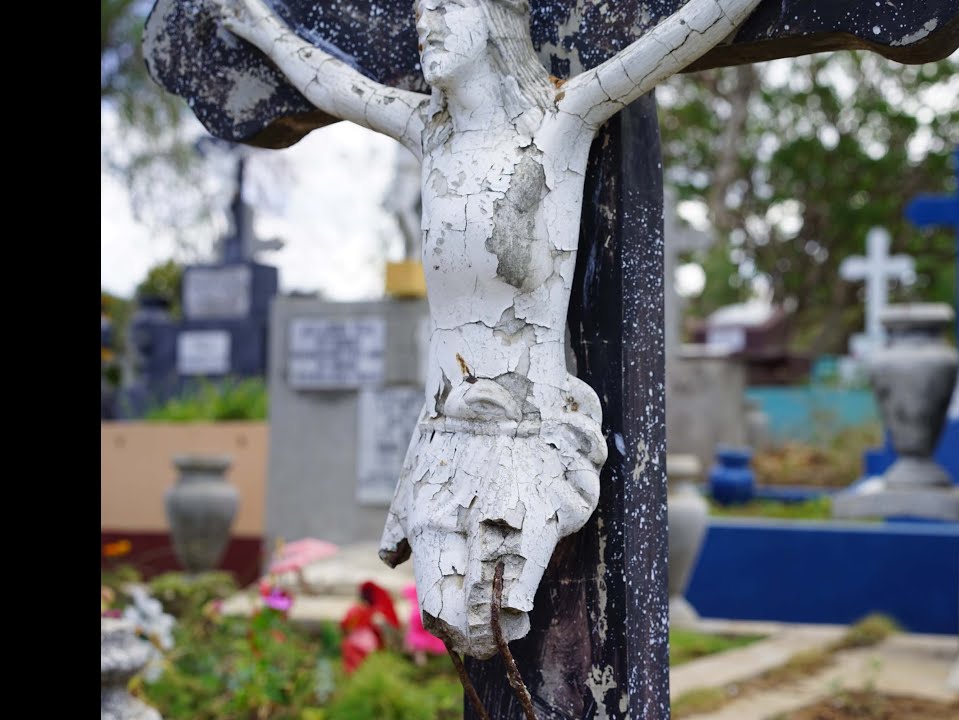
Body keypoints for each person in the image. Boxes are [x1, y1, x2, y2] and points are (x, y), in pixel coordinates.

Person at [217, 0, 763, 662]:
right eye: (423, 11)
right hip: (441, 445)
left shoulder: (562, 117)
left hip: (527, 443)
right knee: (454, 628)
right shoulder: (429, 130)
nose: (429, 23)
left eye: (449, 7)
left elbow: (681, 34)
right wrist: (261, 25)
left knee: (496, 626)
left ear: (497, 20)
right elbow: (333, 83)